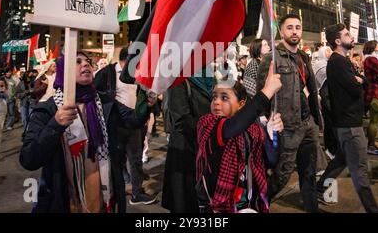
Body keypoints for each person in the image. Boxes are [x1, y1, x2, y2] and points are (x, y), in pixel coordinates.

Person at [20, 52, 142, 213]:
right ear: (63, 71)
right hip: (67, 204)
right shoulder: (47, 109)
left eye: (88, 61)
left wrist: (147, 100)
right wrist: (55, 125)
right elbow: (29, 159)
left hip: (104, 202)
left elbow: (133, 119)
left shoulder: (105, 102)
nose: (86, 64)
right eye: (77, 61)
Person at [256, 14, 322, 213]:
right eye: (290, 27)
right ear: (282, 31)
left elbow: (311, 89)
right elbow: (262, 93)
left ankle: (312, 208)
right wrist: (269, 121)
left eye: (298, 27)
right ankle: (255, 206)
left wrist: (316, 120)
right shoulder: (272, 58)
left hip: (307, 124)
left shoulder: (304, 57)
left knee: (309, 173)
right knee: (281, 176)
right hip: (287, 127)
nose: (295, 31)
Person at [196, 63, 282, 213]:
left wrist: (272, 134)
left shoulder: (254, 129)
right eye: (214, 97)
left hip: (249, 204)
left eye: (224, 98)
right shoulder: (207, 123)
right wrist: (267, 92)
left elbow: (271, 160)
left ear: (241, 104)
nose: (216, 102)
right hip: (218, 206)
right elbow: (232, 127)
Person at [316, 24, 378, 213]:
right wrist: (359, 82)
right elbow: (355, 87)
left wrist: (360, 80)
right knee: (360, 170)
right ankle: (373, 209)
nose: (351, 36)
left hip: (348, 122)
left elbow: (362, 80)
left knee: (341, 160)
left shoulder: (342, 61)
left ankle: (320, 188)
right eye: (346, 34)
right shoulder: (338, 62)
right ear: (337, 41)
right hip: (350, 125)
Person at [94, 46, 156, 205]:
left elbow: (145, 95)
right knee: (115, 160)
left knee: (136, 160)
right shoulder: (107, 73)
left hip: (134, 124)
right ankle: (115, 192)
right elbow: (94, 93)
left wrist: (148, 106)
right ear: (126, 59)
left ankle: (137, 193)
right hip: (114, 125)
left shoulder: (138, 76)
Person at [162, 69, 214, 213]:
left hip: (204, 149)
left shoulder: (208, 76)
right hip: (185, 150)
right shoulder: (177, 78)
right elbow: (181, 120)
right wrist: (211, 128)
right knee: (185, 203)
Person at [312, 46, 338, 158]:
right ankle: (330, 148)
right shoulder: (319, 64)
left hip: (332, 94)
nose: (330, 52)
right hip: (325, 95)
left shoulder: (329, 63)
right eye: (327, 51)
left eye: (330, 50)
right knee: (329, 122)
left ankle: (334, 147)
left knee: (333, 122)